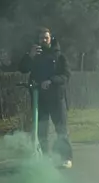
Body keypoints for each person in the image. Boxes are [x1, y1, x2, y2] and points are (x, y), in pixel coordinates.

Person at [18, 27, 72, 168]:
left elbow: (66, 76)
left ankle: (65, 158)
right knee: (41, 130)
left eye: (46, 37)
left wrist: (52, 80)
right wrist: (30, 56)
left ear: (51, 38)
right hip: (39, 99)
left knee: (61, 129)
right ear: (38, 39)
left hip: (56, 98)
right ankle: (45, 158)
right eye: (41, 38)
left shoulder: (59, 56)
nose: (44, 40)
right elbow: (23, 68)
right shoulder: (33, 54)